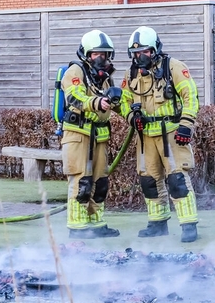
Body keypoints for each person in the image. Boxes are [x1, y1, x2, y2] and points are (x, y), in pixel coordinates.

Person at [119, 26, 200, 242]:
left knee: (177, 179)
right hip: (145, 136)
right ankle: (157, 223)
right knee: (148, 180)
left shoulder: (173, 67)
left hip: (171, 133)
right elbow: (124, 101)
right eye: (136, 53)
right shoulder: (131, 73)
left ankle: (188, 225)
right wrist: (131, 117)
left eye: (145, 51)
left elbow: (190, 96)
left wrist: (186, 125)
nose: (140, 56)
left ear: (155, 49)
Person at [61, 29, 122, 239]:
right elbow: (74, 97)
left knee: (100, 182)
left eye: (104, 54)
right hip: (78, 135)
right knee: (81, 181)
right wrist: (97, 102)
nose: (101, 58)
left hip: (100, 138)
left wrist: (132, 113)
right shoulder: (75, 72)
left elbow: (116, 105)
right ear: (87, 55)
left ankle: (96, 224)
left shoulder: (104, 78)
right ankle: (77, 227)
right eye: (96, 54)